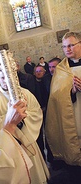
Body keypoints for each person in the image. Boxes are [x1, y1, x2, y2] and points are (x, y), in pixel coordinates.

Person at [0, 68, 49, 183]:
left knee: (34, 175)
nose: (6, 81)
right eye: (3, 78)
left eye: (9, 77)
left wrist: (23, 116)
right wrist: (10, 118)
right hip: (10, 144)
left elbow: (36, 112)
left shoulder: (25, 93)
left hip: (27, 139)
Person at [46, 31, 81, 181]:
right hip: (73, 116)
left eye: (71, 45)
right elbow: (56, 96)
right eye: (64, 46)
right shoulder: (60, 70)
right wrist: (71, 91)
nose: (67, 49)